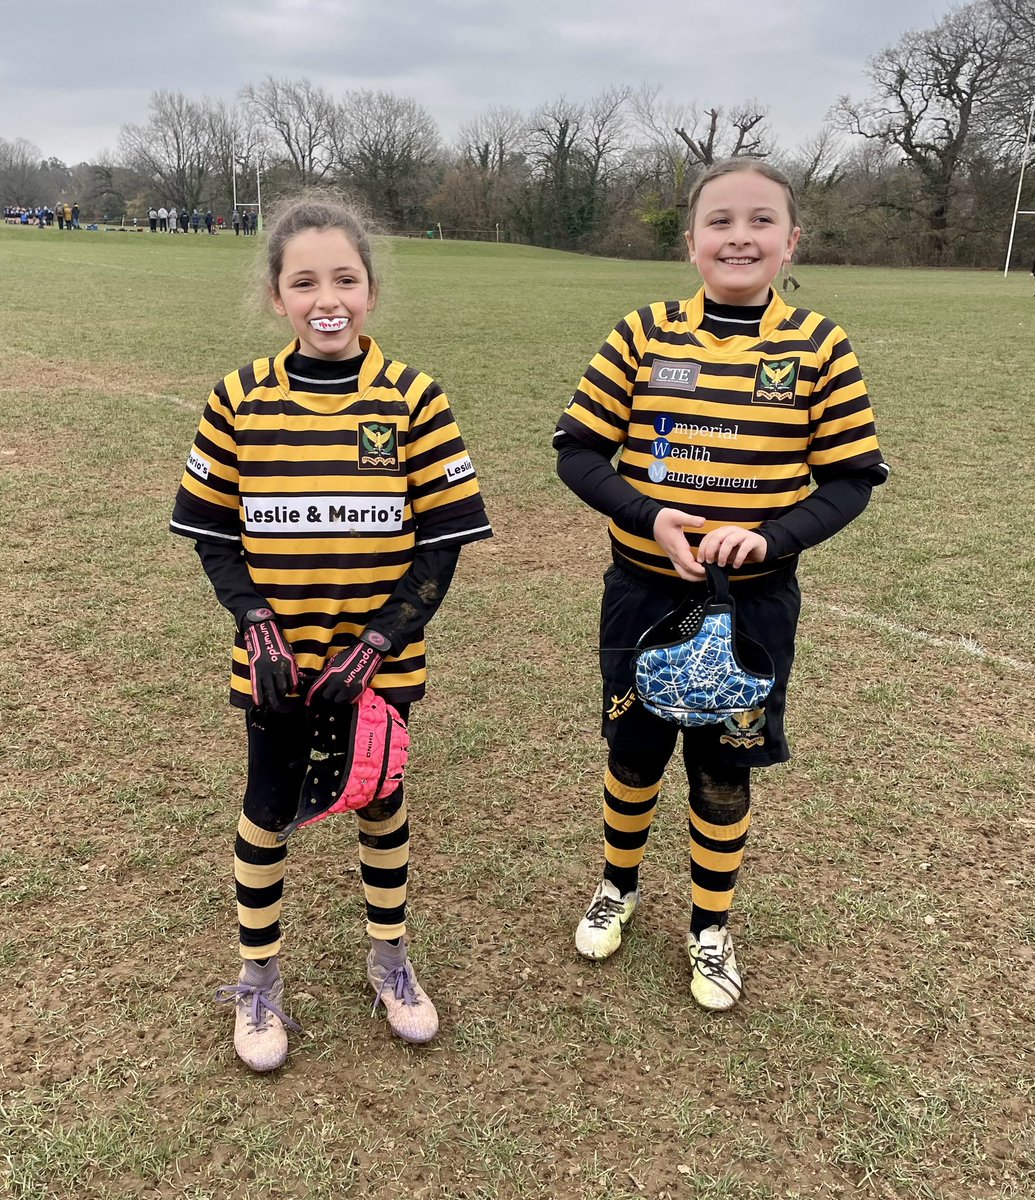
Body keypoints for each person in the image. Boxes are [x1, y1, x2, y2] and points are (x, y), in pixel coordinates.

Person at [554, 158, 887, 1012]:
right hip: (642, 591)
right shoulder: (641, 334)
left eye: (760, 221)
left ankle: (709, 927)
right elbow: (578, 450)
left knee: (721, 765)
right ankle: (616, 889)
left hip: (751, 606)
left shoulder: (817, 344)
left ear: (789, 242)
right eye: (720, 222)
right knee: (632, 753)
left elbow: (852, 477)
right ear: (692, 240)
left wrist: (771, 535)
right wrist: (649, 516)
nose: (740, 236)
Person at [170, 192, 492, 1071]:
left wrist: (378, 641)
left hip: (379, 667)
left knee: (379, 804)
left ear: (370, 290)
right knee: (267, 811)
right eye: (304, 280)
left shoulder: (415, 398)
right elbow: (209, 533)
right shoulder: (238, 398)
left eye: (344, 278)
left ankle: (388, 960)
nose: (328, 297)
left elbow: (442, 544)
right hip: (276, 666)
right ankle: (258, 978)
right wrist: (256, 623)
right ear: (277, 296)